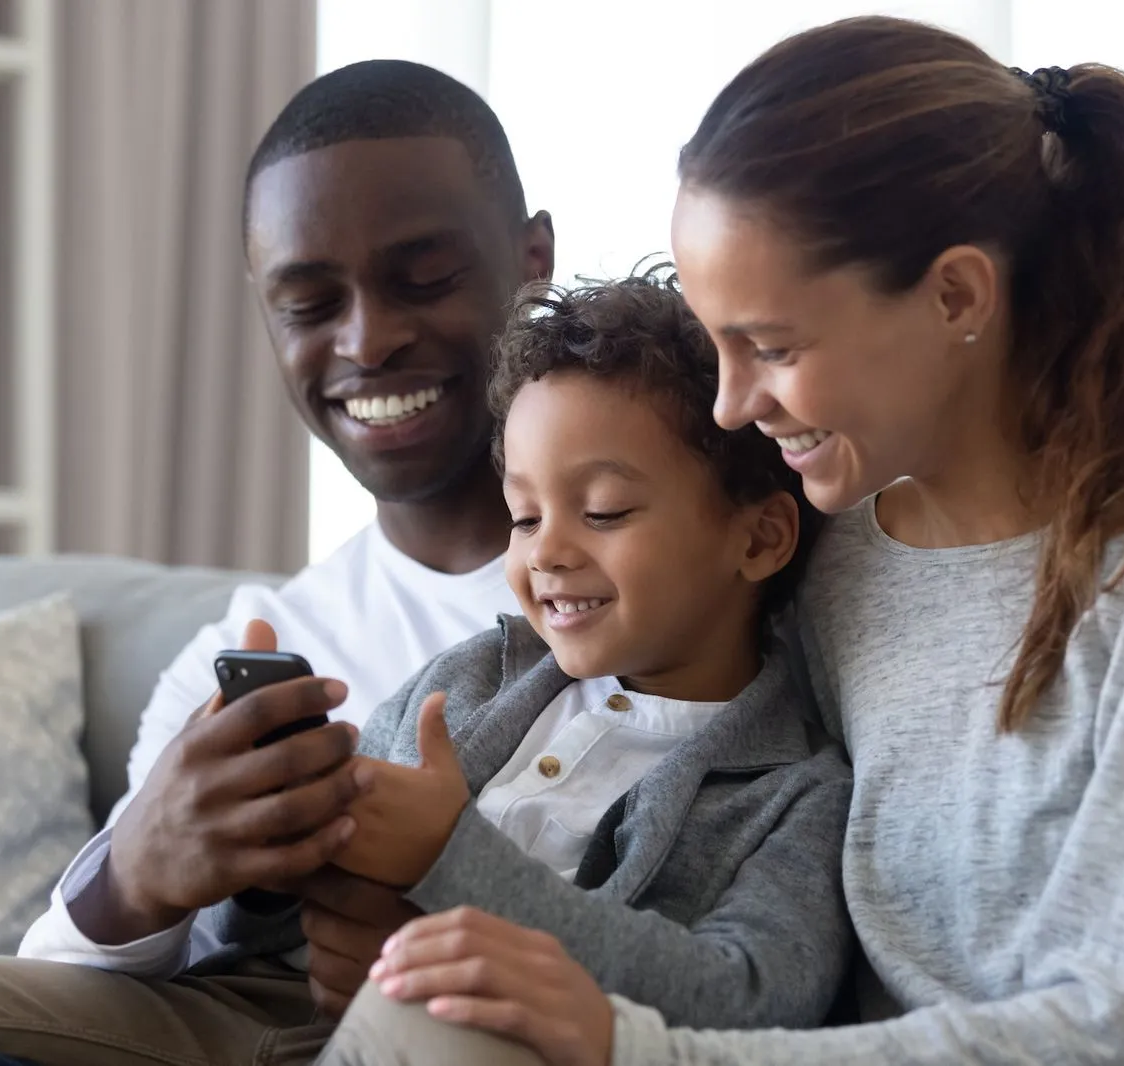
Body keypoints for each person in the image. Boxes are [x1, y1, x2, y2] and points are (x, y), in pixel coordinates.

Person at [339, 16, 1124, 1066]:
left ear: (955, 295)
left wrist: (634, 1047)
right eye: (719, 347)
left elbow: (1116, 1025)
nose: (734, 405)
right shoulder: (841, 556)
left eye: (773, 346)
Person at [0, 58, 556, 1065]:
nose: (368, 339)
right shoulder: (260, 642)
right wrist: (140, 869)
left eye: (422, 279)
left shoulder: (670, 578)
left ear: (533, 260)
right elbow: (47, 1006)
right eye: (307, 305)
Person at [209, 270, 851, 1055]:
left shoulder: (795, 792)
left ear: (758, 540)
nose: (545, 550)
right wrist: (274, 848)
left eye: (604, 511)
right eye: (523, 514)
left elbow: (753, 997)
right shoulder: (471, 681)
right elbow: (257, 930)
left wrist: (450, 858)